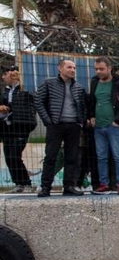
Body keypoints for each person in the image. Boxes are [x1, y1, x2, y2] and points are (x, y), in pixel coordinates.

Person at [35, 59, 88, 197]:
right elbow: (39, 102)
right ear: (60, 68)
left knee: (72, 157)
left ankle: (69, 185)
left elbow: (83, 106)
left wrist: (81, 122)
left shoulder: (79, 87)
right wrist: (48, 121)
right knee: (51, 156)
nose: (72, 70)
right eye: (69, 67)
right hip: (55, 125)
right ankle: (46, 187)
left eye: (74, 68)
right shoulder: (48, 83)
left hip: (73, 126)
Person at [88, 57, 119, 195]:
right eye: (96, 69)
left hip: (114, 126)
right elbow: (91, 100)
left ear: (109, 68)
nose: (98, 71)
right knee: (101, 156)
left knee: (118, 155)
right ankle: (103, 184)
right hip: (98, 126)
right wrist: (91, 116)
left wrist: (118, 121)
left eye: (101, 69)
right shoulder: (95, 82)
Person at [0, 65, 37, 193]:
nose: (4, 77)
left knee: (15, 155)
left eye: (6, 74)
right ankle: (18, 183)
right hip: (7, 127)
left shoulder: (25, 88)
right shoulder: (6, 91)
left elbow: (33, 97)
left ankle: (27, 184)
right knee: (9, 157)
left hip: (22, 126)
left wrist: (21, 80)